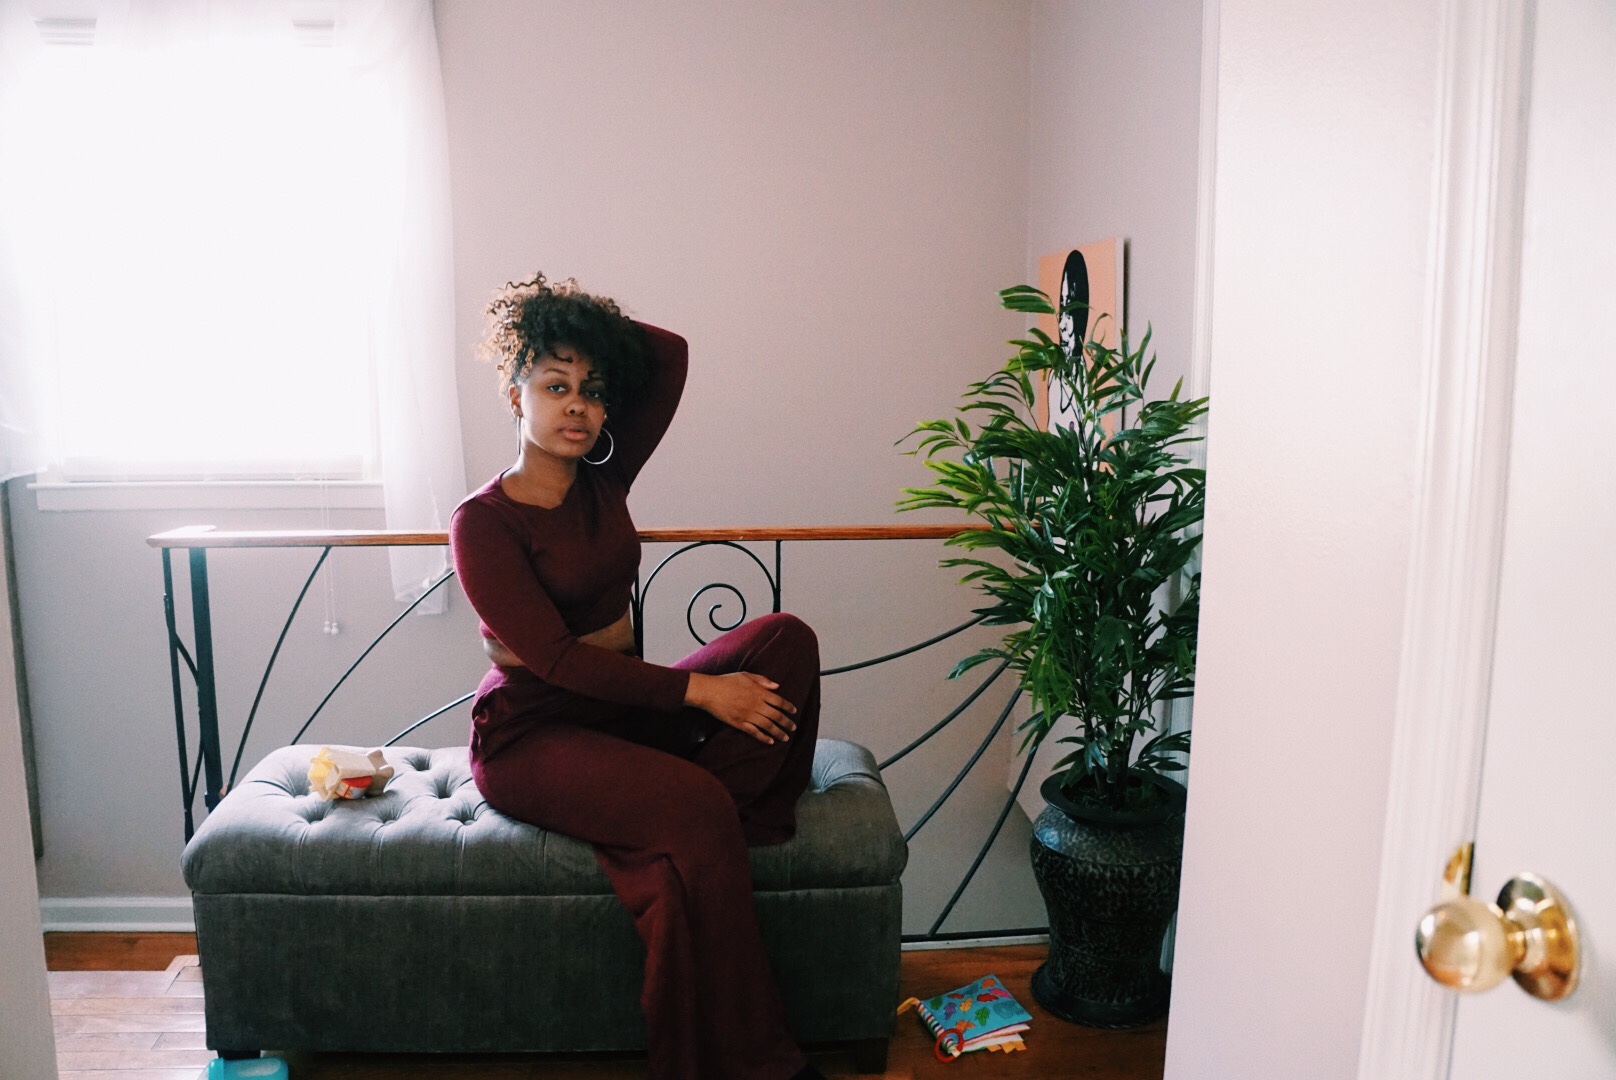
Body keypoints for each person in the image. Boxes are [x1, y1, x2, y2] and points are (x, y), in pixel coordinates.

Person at [449, 273, 826, 1080]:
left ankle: (703, 827)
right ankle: (756, 1061)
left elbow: (670, 356)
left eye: (592, 390)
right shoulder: (482, 522)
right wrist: (700, 691)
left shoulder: (604, 478)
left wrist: (578, 325)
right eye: (555, 385)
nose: (578, 406)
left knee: (784, 642)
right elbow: (554, 661)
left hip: (620, 711)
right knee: (695, 804)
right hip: (532, 733)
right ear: (515, 397)